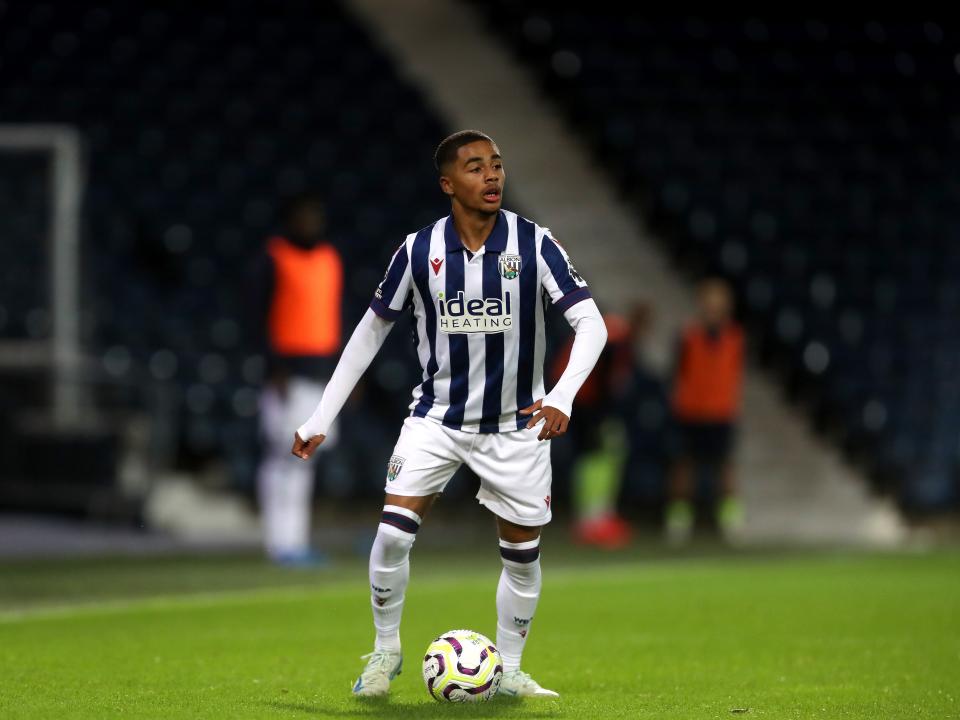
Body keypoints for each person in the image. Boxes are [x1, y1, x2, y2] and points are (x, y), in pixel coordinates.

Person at [291, 130, 607, 698]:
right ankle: (385, 652)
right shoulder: (417, 250)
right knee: (390, 536)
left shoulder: (534, 244)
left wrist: (560, 396)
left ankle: (508, 669)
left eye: (497, 165)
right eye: (475, 167)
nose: (491, 176)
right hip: (437, 419)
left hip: (518, 424)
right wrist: (321, 415)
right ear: (447, 184)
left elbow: (593, 324)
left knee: (523, 555)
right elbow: (369, 333)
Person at [254, 193, 343, 566]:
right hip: (287, 374)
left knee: (306, 460)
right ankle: (279, 543)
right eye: (303, 218)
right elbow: (255, 315)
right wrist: (274, 368)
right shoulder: (273, 259)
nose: (311, 225)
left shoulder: (328, 260)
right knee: (283, 456)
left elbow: (334, 316)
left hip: (320, 374)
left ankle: (296, 542)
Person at [666, 278, 745, 544]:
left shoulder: (735, 338)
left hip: (722, 412)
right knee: (685, 466)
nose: (713, 309)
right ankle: (679, 520)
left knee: (725, 468)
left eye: (718, 304)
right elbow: (677, 373)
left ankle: (729, 521)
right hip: (691, 412)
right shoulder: (688, 336)